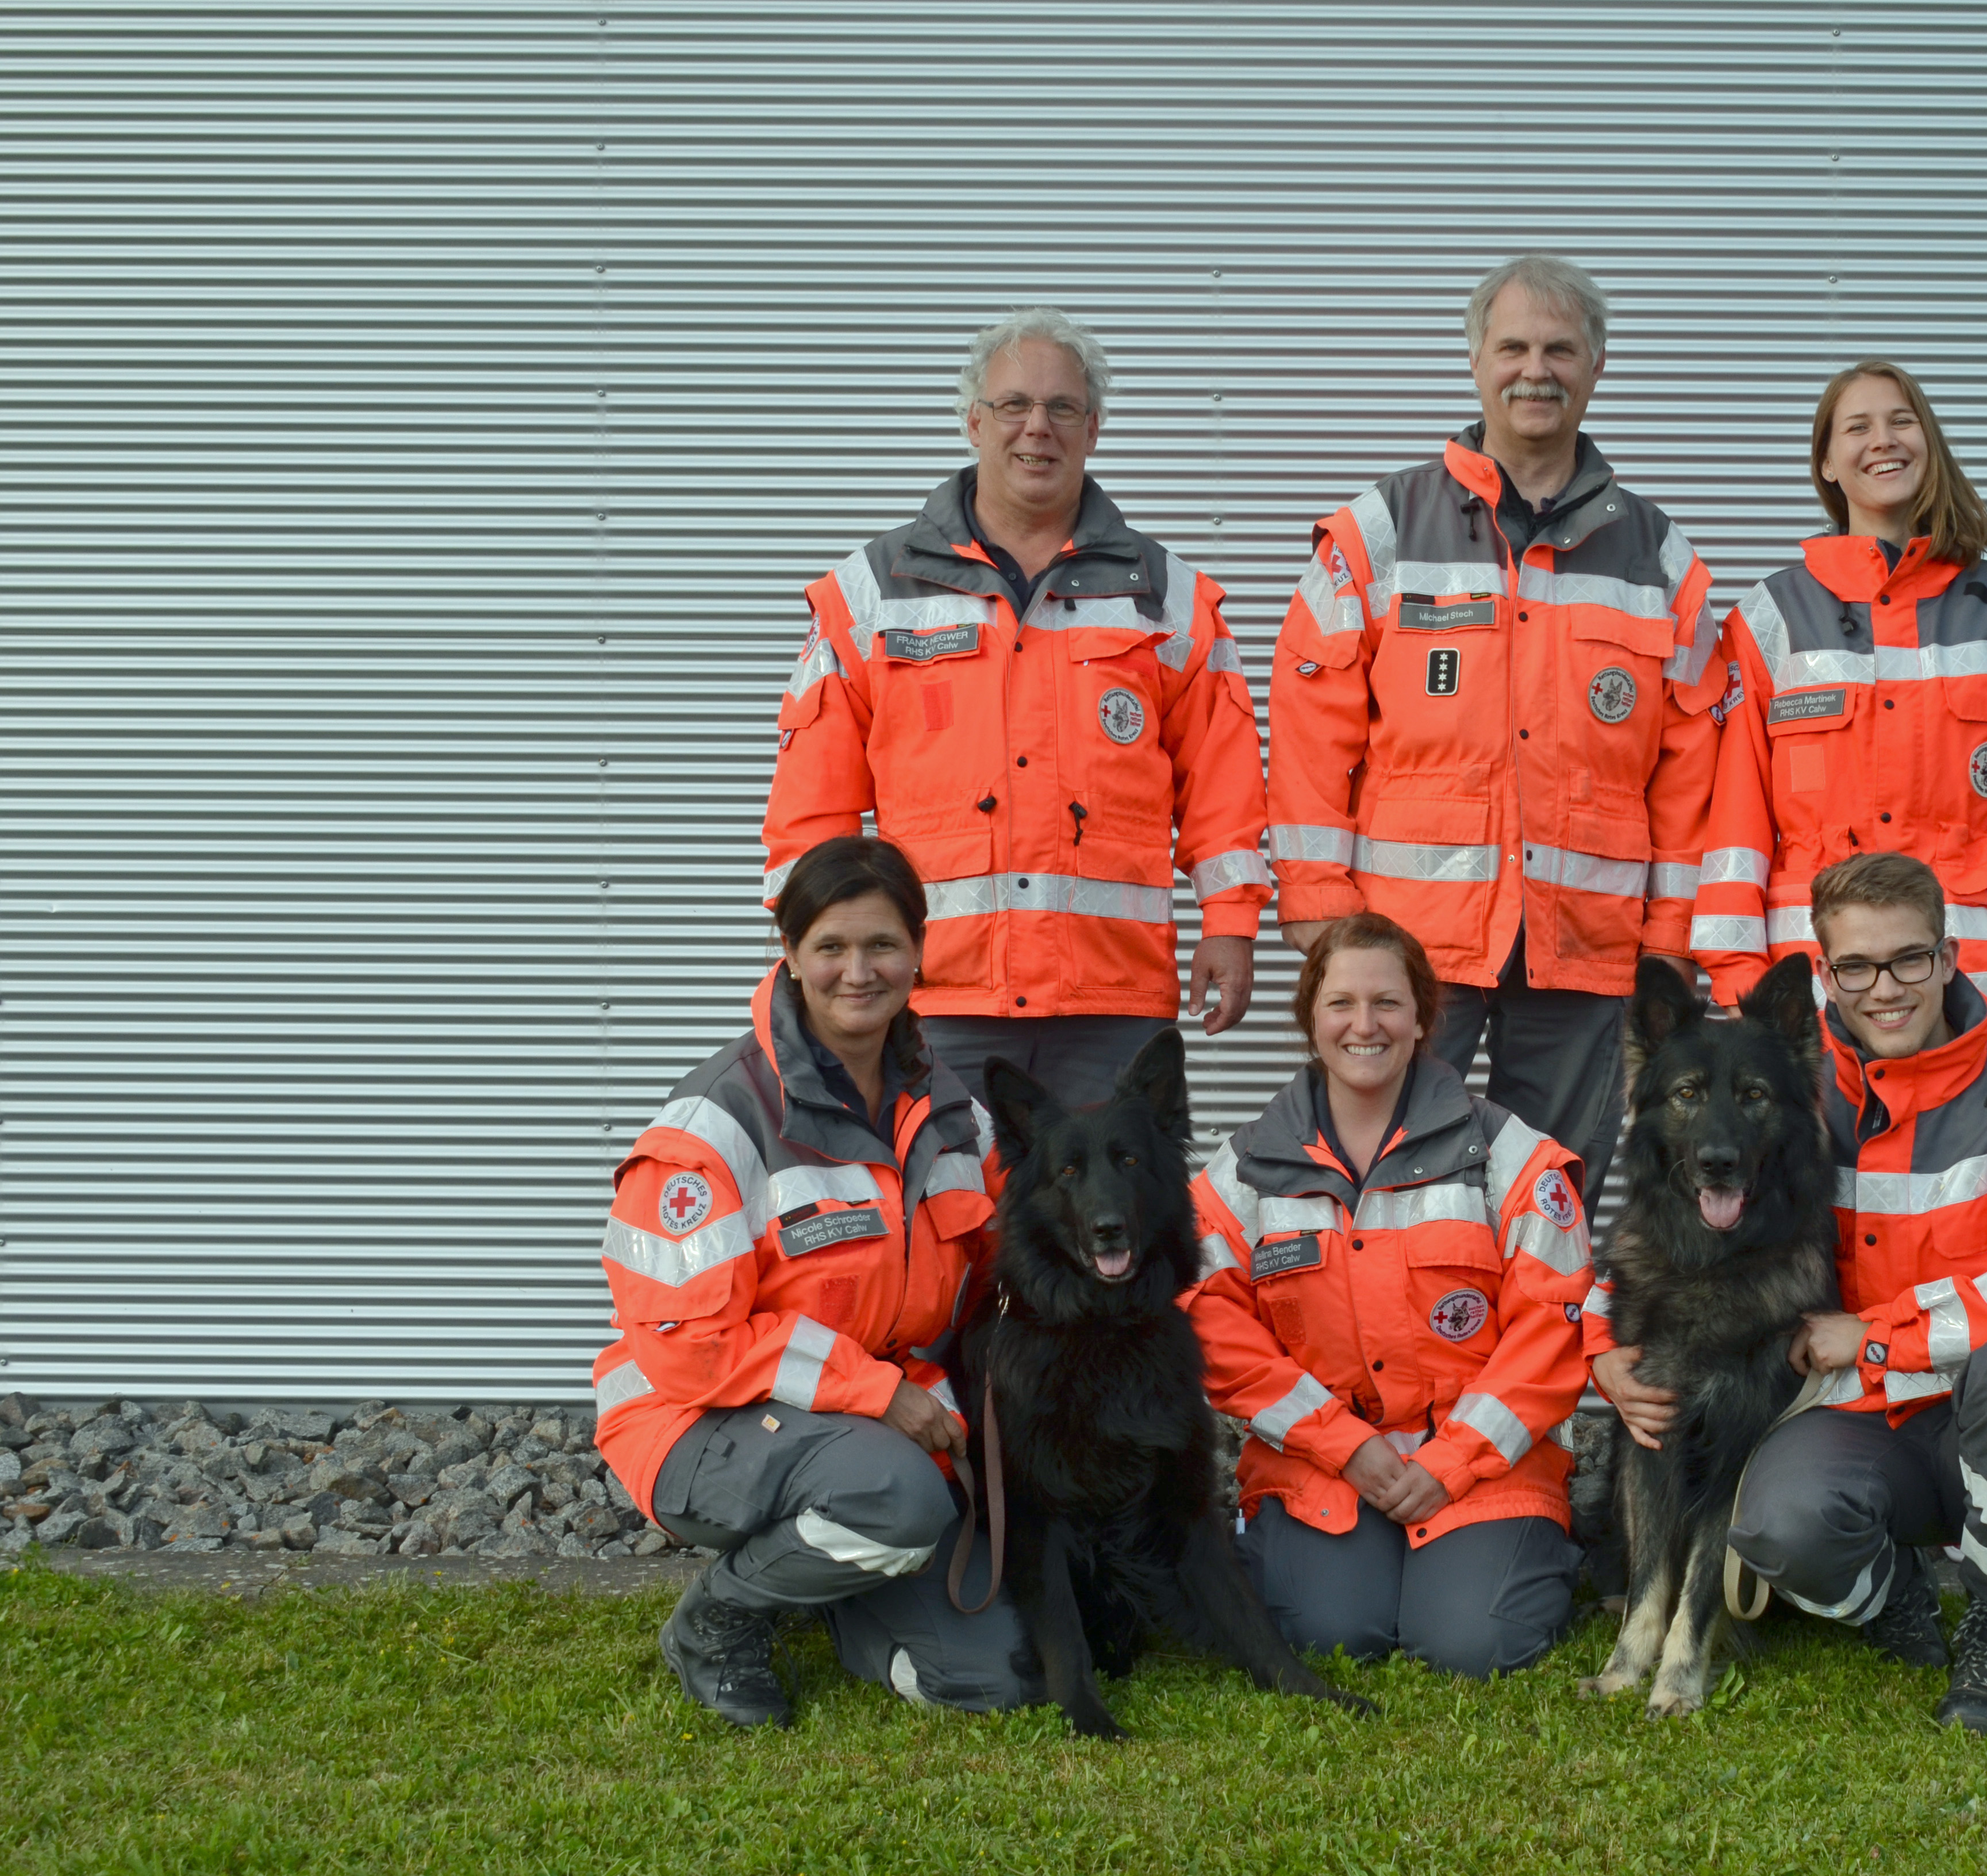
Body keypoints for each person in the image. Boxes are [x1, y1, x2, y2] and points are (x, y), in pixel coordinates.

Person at [1593, 852, 1987, 1735]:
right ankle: (1891, 1593)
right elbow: (1661, 1242)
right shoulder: (1795, 1096)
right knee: (1775, 1523)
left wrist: (1876, 1337)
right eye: (1856, 968)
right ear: (1829, 980)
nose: (1885, 988)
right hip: (1860, 1419)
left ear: (1950, 960)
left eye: (1909, 960)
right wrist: (1601, 1354)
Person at [1266, 256, 1728, 1201]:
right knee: (1382, 1173)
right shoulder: (1381, 530)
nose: (1535, 368)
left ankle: (1534, 1350)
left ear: (1596, 365)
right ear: (1475, 361)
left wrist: (1672, 935)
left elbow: (1692, 766)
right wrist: (1317, 906)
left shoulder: (1657, 554)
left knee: (1551, 1190)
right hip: (1407, 938)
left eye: (1560, 348)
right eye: (1512, 345)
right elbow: (1312, 730)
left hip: (1588, 941)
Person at [763, 307, 1271, 1106]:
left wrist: (1232, 923)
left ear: (1094, 429)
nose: (1038, 427)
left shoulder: (1168, 598)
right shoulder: (871, 595)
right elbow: (811, 810)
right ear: (973, 421)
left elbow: (1225, 786)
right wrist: (814, 954)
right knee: (942, 1222)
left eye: (1062, 408)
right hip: (934, 990)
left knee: (1107, 1228)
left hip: (1113, 996)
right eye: (1013, 406)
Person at [591, 836, 1034, 1727]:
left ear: (919, 953)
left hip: (867, 1429)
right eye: (831, 947)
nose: (858, 972)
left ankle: (833, 1587)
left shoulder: (949, 1113)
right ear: (790, 956)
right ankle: (720, 1619)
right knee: (896, 1497)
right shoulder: (717, 1126)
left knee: (997, 1678)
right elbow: (690, 1347)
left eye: (883, 946)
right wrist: (879, 1397)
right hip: (696, 1422)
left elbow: (1013, 1254)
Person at [1186, 912, 1594, 1676]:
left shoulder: (1511, 1158)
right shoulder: (1243, 1169)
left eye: (1387, 1003)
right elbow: (1209, 1323)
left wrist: (1453, 1462)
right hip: (1325, 1463)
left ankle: (1524, 1556)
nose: (1363, 1025)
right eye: (1340, 1003)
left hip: (1486, 1465)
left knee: (1473, 1643)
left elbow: (1551, 1332)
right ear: (1311, 1018)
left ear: (1422, 1019)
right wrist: (1348, 1447)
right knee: (1331, 1633)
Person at [1692, 362, 1987, 1045]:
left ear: (1928, 441)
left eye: (1900, 421)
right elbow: (1734, 825)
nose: (1881, 440)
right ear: (1825, 463)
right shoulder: (1769, 620)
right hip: (1817, 979)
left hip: (1980, 978)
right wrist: (1739, 974)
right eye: (1856, 427)